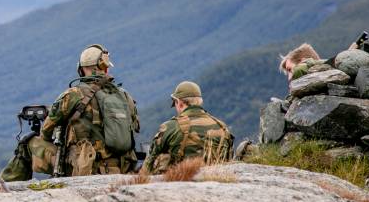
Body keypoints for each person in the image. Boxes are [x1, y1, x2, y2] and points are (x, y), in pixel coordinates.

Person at [40, 44, 140, 176]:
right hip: (123, 170)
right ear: (106, 69)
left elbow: (46, 131)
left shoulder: (74, 94)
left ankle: (7, 190)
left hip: (88, 170)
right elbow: (135, 128)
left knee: (28, 143)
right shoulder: (125, 96)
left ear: (81, 69)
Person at [144, 81, 233, 174]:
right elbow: (228, 160)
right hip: (215, 183)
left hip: (179, 182)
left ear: (180, 103)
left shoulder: (170, 127)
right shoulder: (222, 127)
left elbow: (149, 164)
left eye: (175, 103)